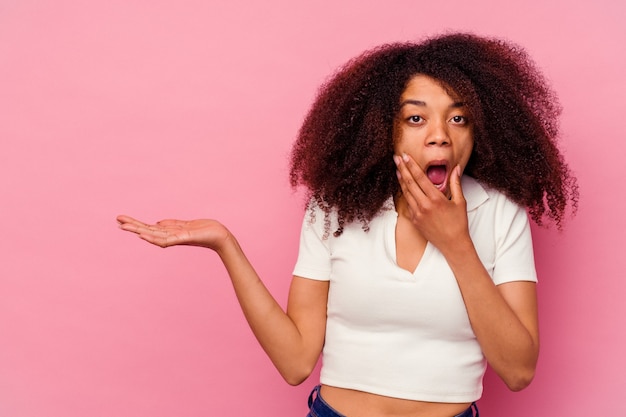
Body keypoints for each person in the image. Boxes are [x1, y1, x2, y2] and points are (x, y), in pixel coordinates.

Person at [117, 33, 577, 417]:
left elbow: (518, 370)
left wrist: (456, 244)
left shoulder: (499, 212)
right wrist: (225, 244)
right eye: (415, 119)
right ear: (383, 130)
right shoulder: (334, 208)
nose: (440, 134)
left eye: (458, 118)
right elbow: (296, 361)